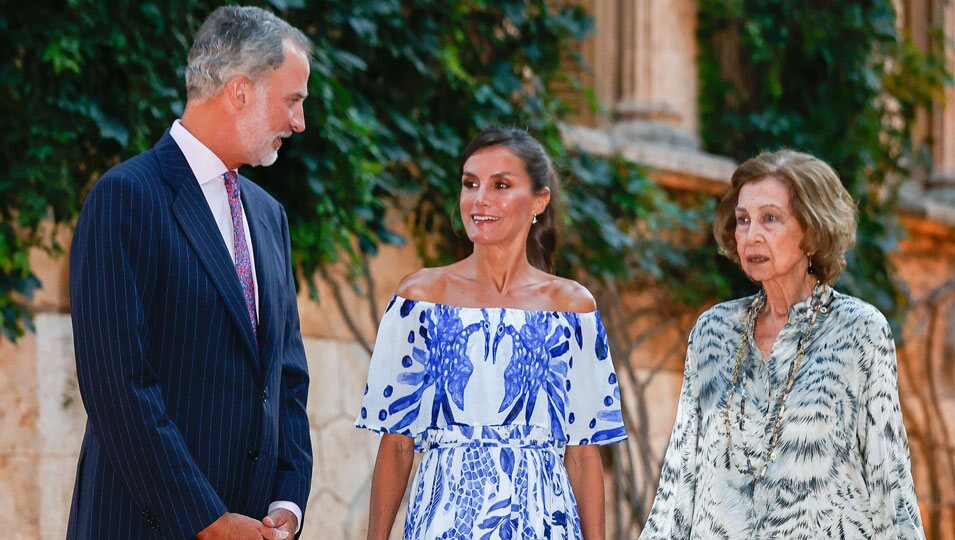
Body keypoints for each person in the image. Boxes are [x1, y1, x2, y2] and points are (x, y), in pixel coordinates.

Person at [67, 6, 313, 539]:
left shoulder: (269, 216)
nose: (299, 122)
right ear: (240, 91)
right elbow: (117, 385)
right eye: (292, 101)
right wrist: (206, 518)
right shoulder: (126, 197)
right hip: (142, 524)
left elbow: (286, 378)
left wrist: (288, 503)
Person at [355, 127, 628, 539]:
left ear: (540, 200)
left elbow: (583, 453)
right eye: (470, 184)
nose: (479, 199)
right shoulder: (420, 299)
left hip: (544, 523)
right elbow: (396, 445)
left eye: (501, 184)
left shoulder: (573, 308)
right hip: (445, 521)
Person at [640, 149, 924, 539]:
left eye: (770, 218)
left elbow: (889, 480)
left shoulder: (859, 331)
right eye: (743, 220)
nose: (751, 235)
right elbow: (680, 475)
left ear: (811, 231)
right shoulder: (713, 332)